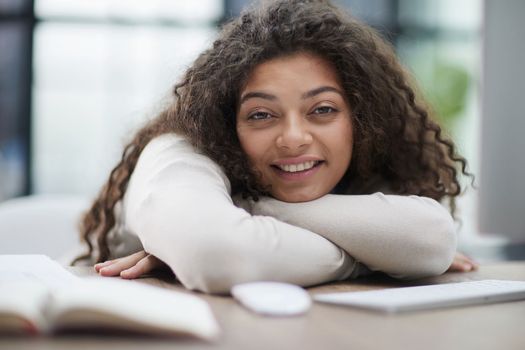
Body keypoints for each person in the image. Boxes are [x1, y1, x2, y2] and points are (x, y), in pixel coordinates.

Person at [76, 0, 477, 294]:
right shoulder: (176, 152)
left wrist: (250, 210)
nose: (294, 138)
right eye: (261, 115)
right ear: (226, 123)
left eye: (322, 109)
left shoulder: (356, 169)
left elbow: (429, 239)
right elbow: (218, 254)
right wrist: (370, 254)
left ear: (360, 121)